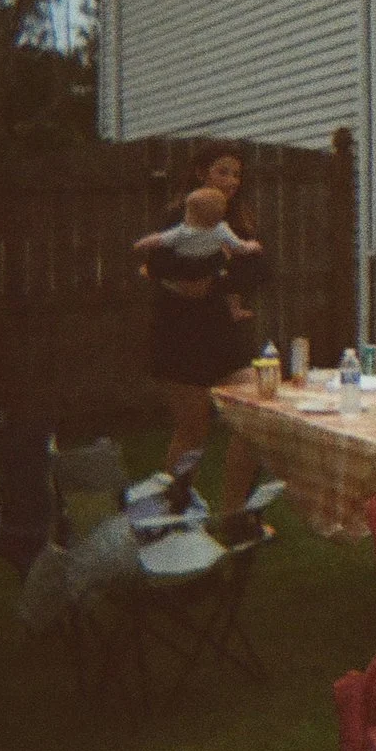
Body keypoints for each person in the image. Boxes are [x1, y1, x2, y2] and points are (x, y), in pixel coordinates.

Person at [141, 142, 269, 534]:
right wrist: (219, 269)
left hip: (226, 339)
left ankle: (232, 517)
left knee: (253, 420)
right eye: (222, 171)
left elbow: (259, 271)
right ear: (201, 173)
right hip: (181, 339)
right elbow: (165, 269)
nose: (231, 181)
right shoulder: (180, 218)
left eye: (236, 174)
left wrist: (221, 275)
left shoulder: (240, 222)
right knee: (193, 433)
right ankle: (171, 517)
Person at [134, 184, 264, 276]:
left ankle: (148, 270)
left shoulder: (185, 231)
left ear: (193, 215)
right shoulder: (221, 229)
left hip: (187, 263)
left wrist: (142, 243)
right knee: (221, 263)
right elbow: (238, 246)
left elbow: (159, 240)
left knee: (161, 250)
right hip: (210, 263)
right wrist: (252, 246)